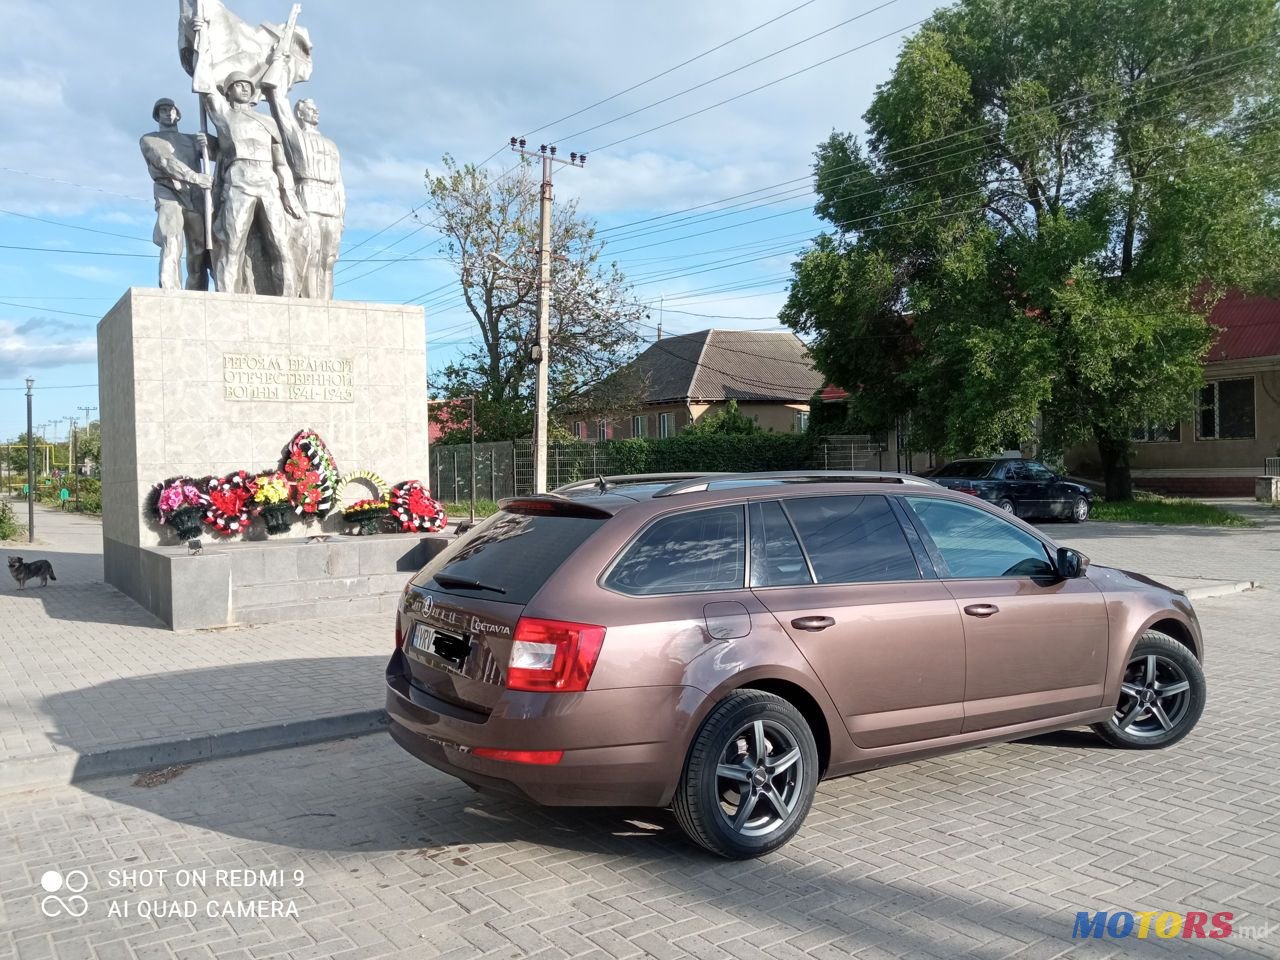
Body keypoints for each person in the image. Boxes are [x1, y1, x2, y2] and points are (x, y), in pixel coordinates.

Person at [191, 30, 303, 296]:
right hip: (239, 181)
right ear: (228, 92)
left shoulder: (267, 122)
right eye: (237, 85)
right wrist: (202, 41)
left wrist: (289, 194)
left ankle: (289, 300)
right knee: (232, 243)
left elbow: (281, 163)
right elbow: (204, 84)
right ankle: (227, 297)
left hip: (268, 182)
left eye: (247, 85)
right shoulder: (225, 115)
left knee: (281, 244)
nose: (243, 88)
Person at [262, 48, 344, 299]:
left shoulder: (331, 144)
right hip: (307, 195)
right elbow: (277, 100)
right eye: (310, 108)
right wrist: (279, 60)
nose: (315, 111)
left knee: (328, 259)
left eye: (316, 108)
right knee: (311, 253)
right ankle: (309, 303)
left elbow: (339, 182)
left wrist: (341, 213)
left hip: (330, 200)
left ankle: (326, 303)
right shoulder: (294, 137)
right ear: (300, 113)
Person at [139, 98, 217, 290]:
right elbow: (164, 161)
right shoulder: (150, 139)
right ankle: (170, 290)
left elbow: (221, 154)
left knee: (199, 251)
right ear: (157, 115)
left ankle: (197, 294)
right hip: (169, 193)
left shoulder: (191, 140)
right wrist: (195, 177)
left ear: (178, 114)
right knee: (171, 240)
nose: (168, 113)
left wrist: (210, 142)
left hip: (195, 196)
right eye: (163, 110)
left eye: (171, 110)